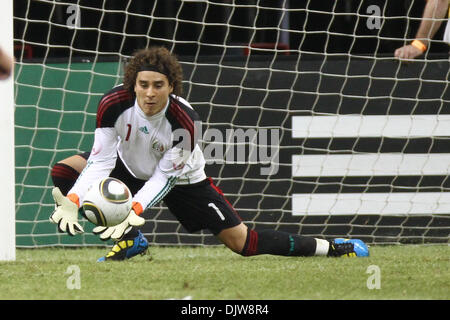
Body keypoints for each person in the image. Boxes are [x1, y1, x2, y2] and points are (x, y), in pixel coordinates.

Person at [50, 46, 370, 261]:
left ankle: (332, 248)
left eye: (158, 85)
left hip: (184, 182)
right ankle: (132, 240)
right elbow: (101, 160)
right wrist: (75, 200)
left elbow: (165, 177)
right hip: (129, 166)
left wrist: (134, 206)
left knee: (243, 243)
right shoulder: (112, 103)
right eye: (143, 84)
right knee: (65, 172)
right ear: (132, 84)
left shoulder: (186, 122)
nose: (149, 93)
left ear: (171, 86)